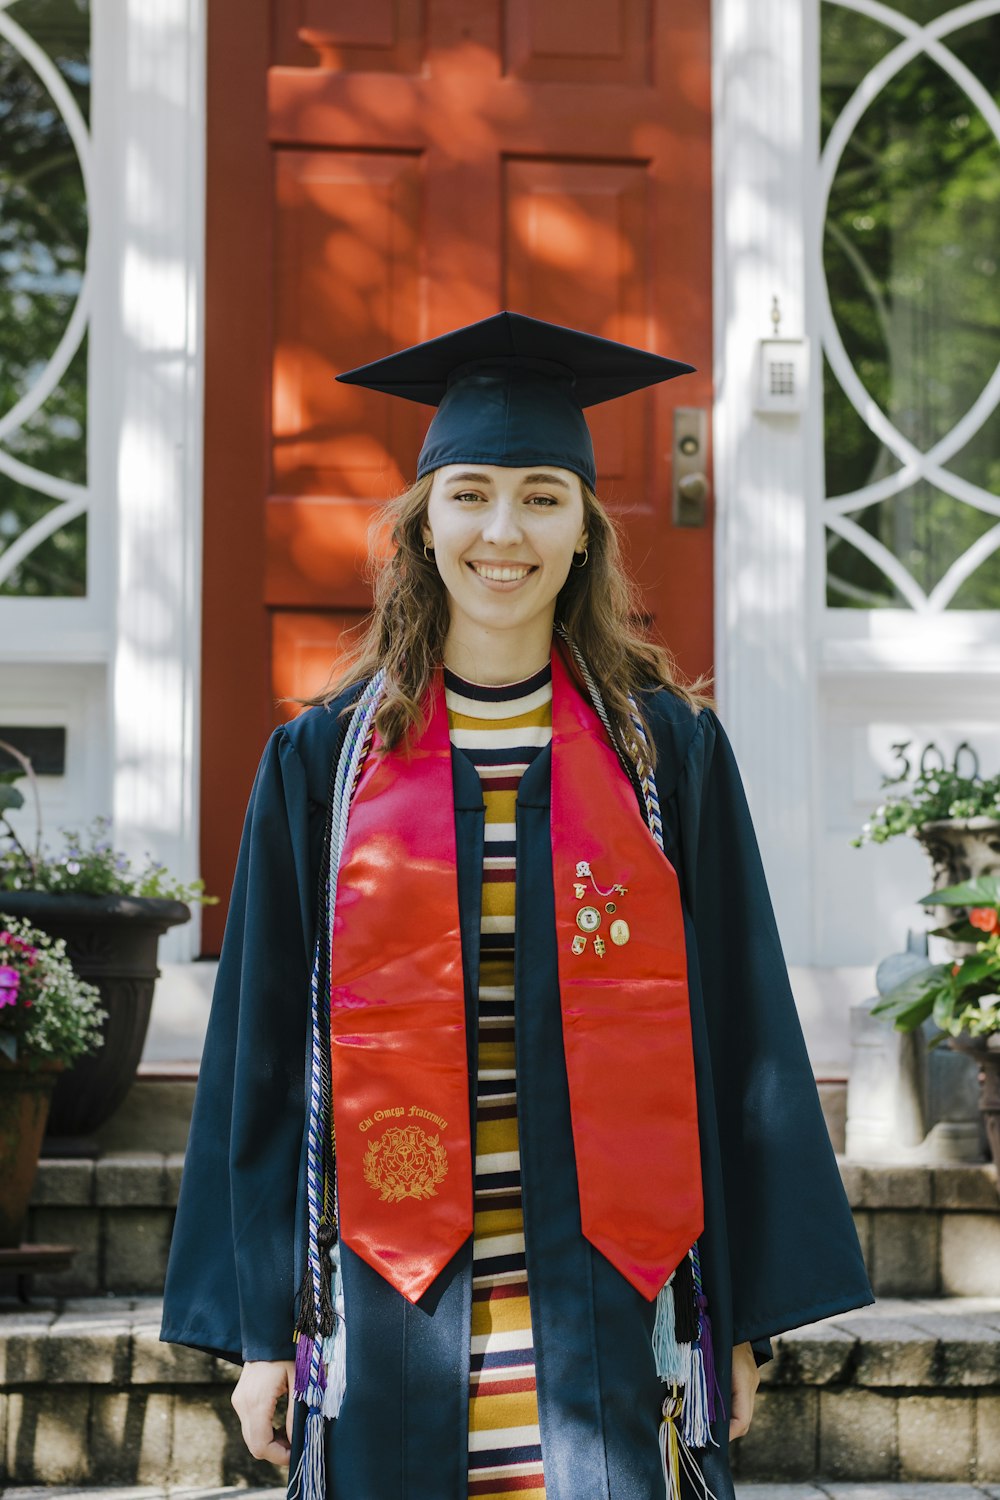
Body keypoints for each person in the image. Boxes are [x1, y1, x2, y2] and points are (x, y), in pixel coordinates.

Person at [160, 312, 874, 1500]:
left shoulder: (669, 757)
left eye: (543, 498)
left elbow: (744, 1033)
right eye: (472, 495)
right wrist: (254, 1333)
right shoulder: (319, 768)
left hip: (611, 1290)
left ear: (586, 533)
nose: (505, 532)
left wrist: (738, 1318)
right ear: (421, 526)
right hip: (392, 1301)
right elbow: (259, 1059)